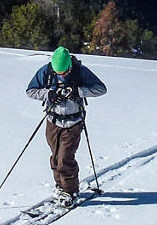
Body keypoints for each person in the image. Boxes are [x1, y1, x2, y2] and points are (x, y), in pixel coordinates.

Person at [25, 46, 107, 206]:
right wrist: (48, 94)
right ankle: (60, 186)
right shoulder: (46, 72)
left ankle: (70, 191)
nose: (61, 75)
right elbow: (30, 91)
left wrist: (78, 91)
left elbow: (101, 89)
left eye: (64, 72)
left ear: (69, 65)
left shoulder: (80, 72)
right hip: (52, 120)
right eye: (58, 72)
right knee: (55, 156)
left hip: (73, 122)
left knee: (65, 158)